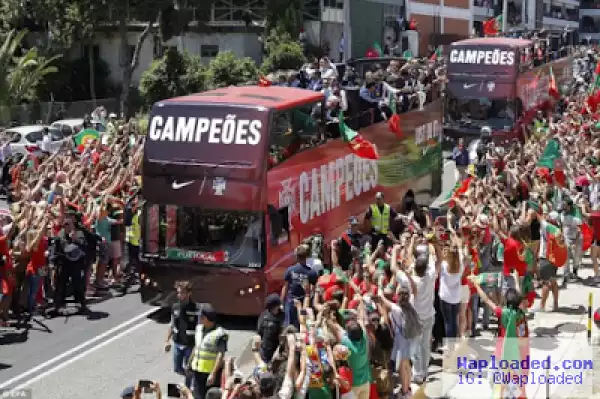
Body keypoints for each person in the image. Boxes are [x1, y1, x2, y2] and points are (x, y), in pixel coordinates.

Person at [49, 212, 89, 316]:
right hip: (63, 263)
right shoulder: (60, 235)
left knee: (78, 284)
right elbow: (55, 249)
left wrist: (74, 239)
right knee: (60, 284)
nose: (67, 226)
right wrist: (52, 262)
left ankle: (82, 304)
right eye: (65, 224)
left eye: (69, 224)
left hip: (76, 263)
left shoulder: (79, 233)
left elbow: (84, 246)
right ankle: (57, 306)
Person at [189, 303, 228, 399]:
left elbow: (220, 355)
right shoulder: (199, 329)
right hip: (197, 370)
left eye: (200, 316)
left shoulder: (219, 334)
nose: (199, 319)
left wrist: (213, 374)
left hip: (210, 373)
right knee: (198, 396)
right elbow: (197, 347)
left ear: (205, 318)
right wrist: (189, 363)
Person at [165, 281, 198, 389]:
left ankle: (188, 388)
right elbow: (171, 324)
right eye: (178, 293)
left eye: (182, 293)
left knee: (188, 368)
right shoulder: (175, 307)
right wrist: (167, 340)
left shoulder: (196, 308)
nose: (179, 295)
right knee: (177, 368)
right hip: (178, 344)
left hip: (190, 345)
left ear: (189, 293)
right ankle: (193, 377)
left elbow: (200, 328)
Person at [281, 245, 318, 329]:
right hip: (304, 303)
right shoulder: (312, 272)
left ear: (296, 257)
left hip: (291, 302)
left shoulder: (290, 270)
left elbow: (285, 287)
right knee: (303, 323)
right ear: (306, 257)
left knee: (289, 326)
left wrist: (281, 302)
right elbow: (313, 290)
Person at [255, 293, 284, 363]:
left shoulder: (282, 315)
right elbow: (260, 333)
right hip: (267, 351)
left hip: (278, 349)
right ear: (276, 306)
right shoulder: (266, 319)